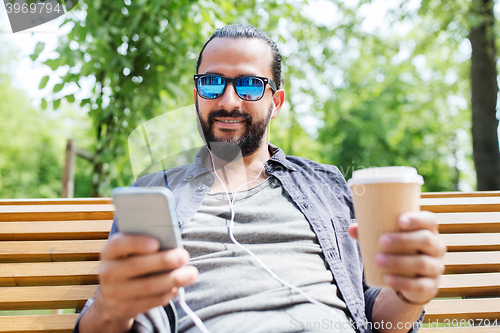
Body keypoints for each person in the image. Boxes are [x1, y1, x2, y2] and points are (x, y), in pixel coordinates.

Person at [75, 24, 446, 333]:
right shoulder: (156, 193)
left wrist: (408, 294)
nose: (229, 101)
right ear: (196, 96)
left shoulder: (327, 185)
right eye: (211, 83)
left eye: (250, 85)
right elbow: (109, 315)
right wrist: (111, 306)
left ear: (276, 101)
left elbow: (379, 320)